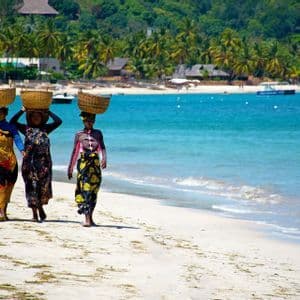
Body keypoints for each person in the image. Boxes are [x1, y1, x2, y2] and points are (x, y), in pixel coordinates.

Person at [10, 107, 62, 222]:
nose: (36, 118)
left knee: (42, 188)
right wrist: (22, 111)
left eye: (38, 116)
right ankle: (34, 214)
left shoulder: (46, 129)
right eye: (33, 116)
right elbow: (12, 122)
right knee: (31, 187)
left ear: (42, 118)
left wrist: (48, 112)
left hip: (44, 164)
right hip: (30, 164)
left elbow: (58, 121)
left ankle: (40, 207)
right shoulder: (26, 129)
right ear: (30, 118)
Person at [68, 111, 107, 227]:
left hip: (95, 166)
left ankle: (91, 218)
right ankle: (87, 219)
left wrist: (104, 159)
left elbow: (102, 147)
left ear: (94, 121)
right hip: (84, 166)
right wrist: (70, 168)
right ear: (83, 121)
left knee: (94, 191)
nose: (89, 123)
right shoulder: (79, 134)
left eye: (91, 121)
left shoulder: (98, 133)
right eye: (87, 121)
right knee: (85, 191)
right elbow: (75, 152)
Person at [0, 107, 24, 221]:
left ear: (5, 113)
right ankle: (1, 212)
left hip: (10, 162)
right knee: (1, 186)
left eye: (1, 112)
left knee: (8, 186)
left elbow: (18, 139)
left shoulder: (11, 127)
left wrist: (23, 150)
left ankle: (3, 211)